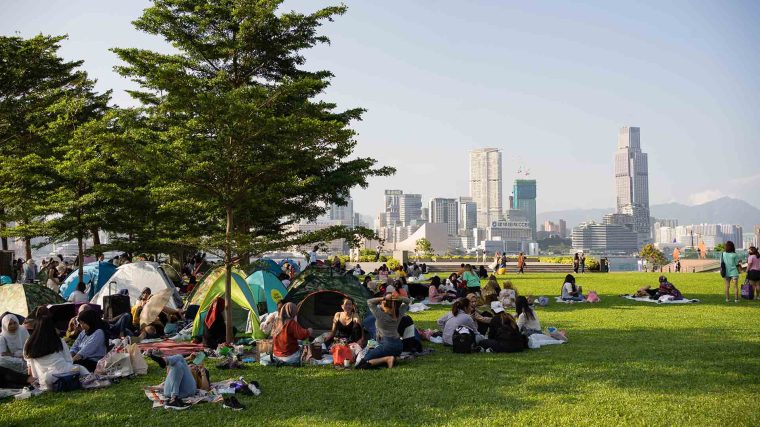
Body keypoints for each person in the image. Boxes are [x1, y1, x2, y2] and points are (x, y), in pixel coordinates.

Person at [24, 308, 89, 391]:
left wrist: (33, 382)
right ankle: (90, 381)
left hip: (45, 380)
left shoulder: (29, 343)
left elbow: (30, 366)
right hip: (64, 373)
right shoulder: (58, 340)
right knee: (81, 369)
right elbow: (69, 360)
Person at [357, 294, 411, 369]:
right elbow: (408, 301)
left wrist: (384, 298)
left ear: (385, 305)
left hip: (387, 345)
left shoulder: (381, 315)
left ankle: (387, 359)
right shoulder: (399, 313)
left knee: (362, 363)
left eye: (381, 302)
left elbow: (369, 302)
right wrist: (397, 298)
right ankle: (392, 358)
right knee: (373, 350)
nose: (380, 303)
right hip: (399, 346)